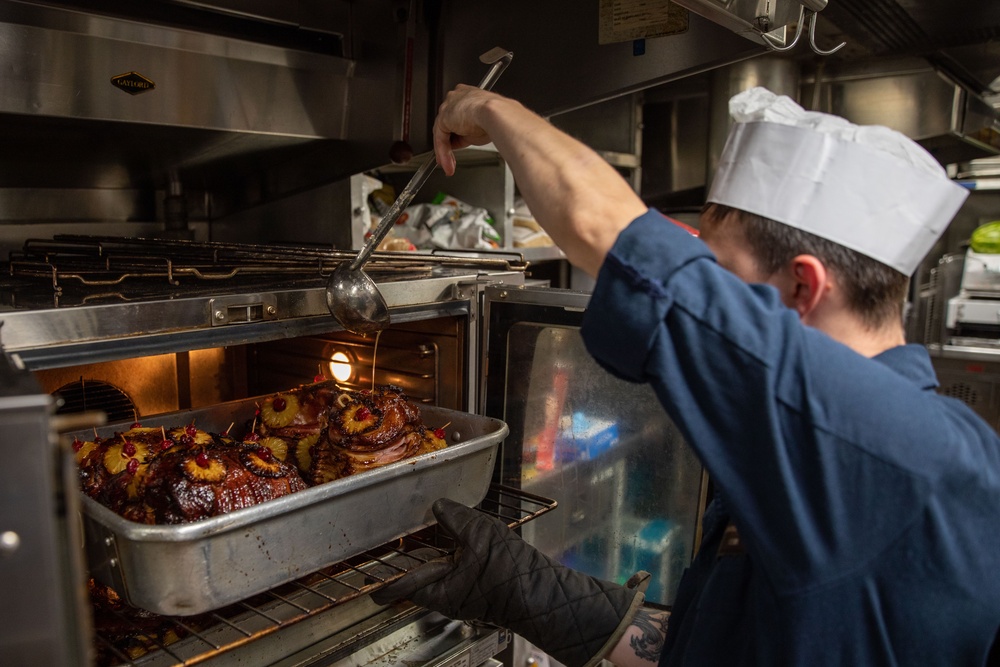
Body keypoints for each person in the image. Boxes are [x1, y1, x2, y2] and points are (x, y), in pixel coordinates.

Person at [372, 85, 1000, 666]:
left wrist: (486, 109)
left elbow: (614, 237)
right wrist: (533, 592)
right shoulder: (828, 453)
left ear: (803, 286)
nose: (707, 292)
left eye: (720, 271)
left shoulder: (896, 450)